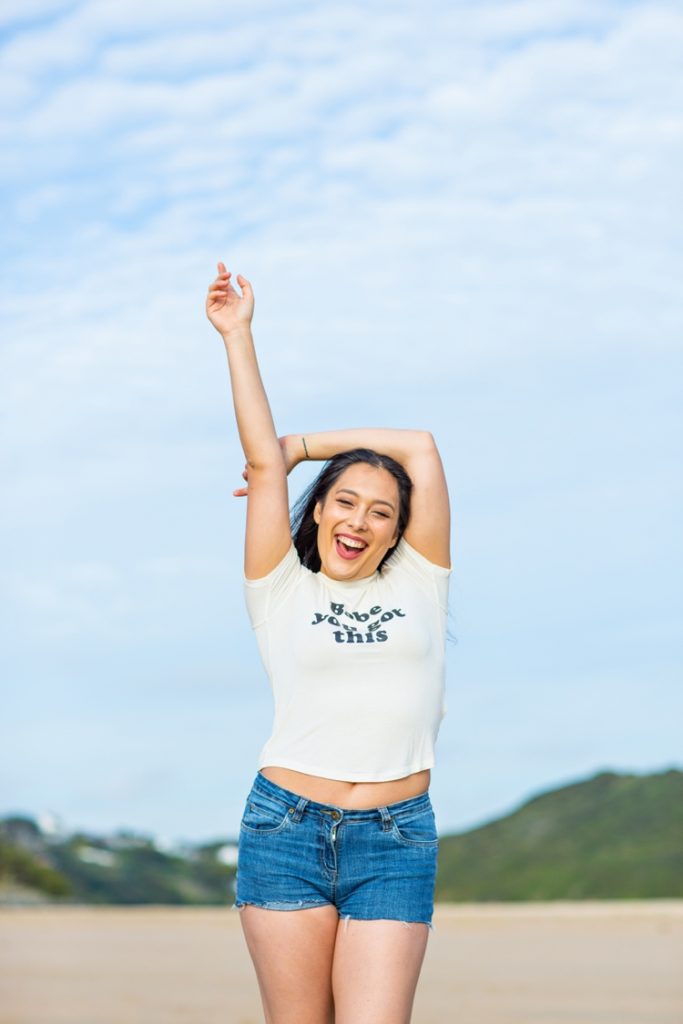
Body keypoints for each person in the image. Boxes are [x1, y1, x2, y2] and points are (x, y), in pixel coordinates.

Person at [206, 262, 451, 1024]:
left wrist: (305, 442)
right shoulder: (280, 586)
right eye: (344, 501)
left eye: (381, 512)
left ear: (398, 532)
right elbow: (261, 467)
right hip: (285, 826)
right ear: (316, 514)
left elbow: (419, 445)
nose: (360, 520)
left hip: (395, 836)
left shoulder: (420, 581)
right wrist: (236, 335)